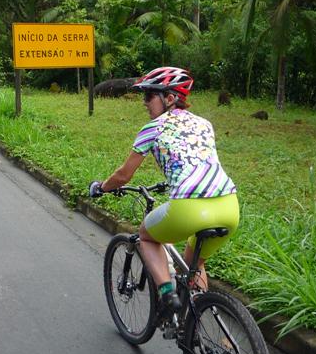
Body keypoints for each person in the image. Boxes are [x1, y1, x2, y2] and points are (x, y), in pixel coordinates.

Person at [89, 66, 239, 318]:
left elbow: (124, 175)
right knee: (195, 263)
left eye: (149, 96)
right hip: (229, 206)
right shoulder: (205, 123)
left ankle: (167, 294)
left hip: (188, 207)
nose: (144, 103)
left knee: (146, 236)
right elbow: (195, 161)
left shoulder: (153, 127)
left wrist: (101, 188)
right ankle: (196, 321)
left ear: (169, 98)